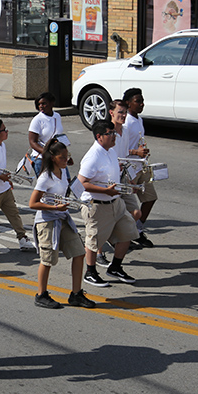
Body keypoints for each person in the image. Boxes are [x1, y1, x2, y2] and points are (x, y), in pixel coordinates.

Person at [29, 139, 93, 310]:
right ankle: (41, 294)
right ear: (53, 158)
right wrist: (54, 207)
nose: (67, 160)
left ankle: (76, 294)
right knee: (48, 259)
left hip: (62, 217)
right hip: (47, 220)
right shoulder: (45, 177)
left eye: (67, 156)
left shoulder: (63, 172)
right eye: (63, 157)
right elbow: (33, 203)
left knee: (79, 253)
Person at [77, 121, 139, 287]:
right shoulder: (92, 156)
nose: (115, 136)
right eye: (110, 133)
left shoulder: (110, 150)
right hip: (97, 205)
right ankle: (90, 272)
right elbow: (81, 183)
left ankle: (115, 267)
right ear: (99, 137)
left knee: (128, 232)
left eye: (114, 132)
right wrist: (105, 191)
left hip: (115, 203)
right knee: (94, 240)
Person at [96, 100, 142, 266]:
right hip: (108, 179)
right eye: (120, 112)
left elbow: (126, 155)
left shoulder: (126, 130)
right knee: (104, 219)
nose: (123, 115)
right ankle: (99, 253)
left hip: (122, 176)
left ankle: (114, 236)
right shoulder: (107, 131)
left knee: (136, 213)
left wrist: (130, 177)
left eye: (124, 112)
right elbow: (101, 155)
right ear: (111, 113)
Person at [0, 119, 34, 252]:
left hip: (4, 189)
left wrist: (7, 180)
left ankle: (22, 239)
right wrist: (1, 177)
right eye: (4, 130)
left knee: (14, 214)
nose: (7, 132)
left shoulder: (2, 145)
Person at [122, 88, 156, 248]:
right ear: (128, 103)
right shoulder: (126, 122)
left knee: (150, 198)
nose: (142, 104)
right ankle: (124, 236)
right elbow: (120, 149)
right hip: (129, 169)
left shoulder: (138, 119)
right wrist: (136, 151)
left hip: (141, 166)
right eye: (138, 101)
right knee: (129, 207)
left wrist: (143, 152)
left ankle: (138, 229)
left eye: (142, 101)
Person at [28, 91, 72, 178]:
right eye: (39, 104)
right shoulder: (37, 120)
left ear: (52, 103)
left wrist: (66, 156)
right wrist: (47, 154)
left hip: (57, 158)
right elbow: (32, 142)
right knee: (48, 188)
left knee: (66, 183)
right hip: (42, 159)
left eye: (44, 103)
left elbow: (58, 137)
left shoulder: (57, 116)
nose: (41, 106)